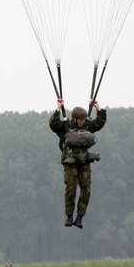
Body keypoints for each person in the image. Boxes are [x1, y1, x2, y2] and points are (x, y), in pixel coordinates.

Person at [48, 98, 106, 229]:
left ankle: (80, 217)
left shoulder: (87, 125)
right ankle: (69, 215)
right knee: (71, 188)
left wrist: (98, 108)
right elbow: (53, 125)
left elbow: (100, 123)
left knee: (86, 189)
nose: (82, 122)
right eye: (80, 120)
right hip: (70, 162)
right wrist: (58, 108)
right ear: (74, 119)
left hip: (84, 161)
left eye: (84, 119)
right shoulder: (66, 126)